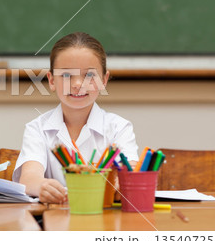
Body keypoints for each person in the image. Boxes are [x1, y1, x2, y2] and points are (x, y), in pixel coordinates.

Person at [13, 32, 139, 204]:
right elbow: (28, 179)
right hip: (55, 222)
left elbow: (130, 170)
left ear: (104, 80)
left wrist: (123, 183)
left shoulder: (119, 128)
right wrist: (42, 186)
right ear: (51, 81)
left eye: (89, 75)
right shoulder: (37, 128)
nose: (78, 84)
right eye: (66, 75)